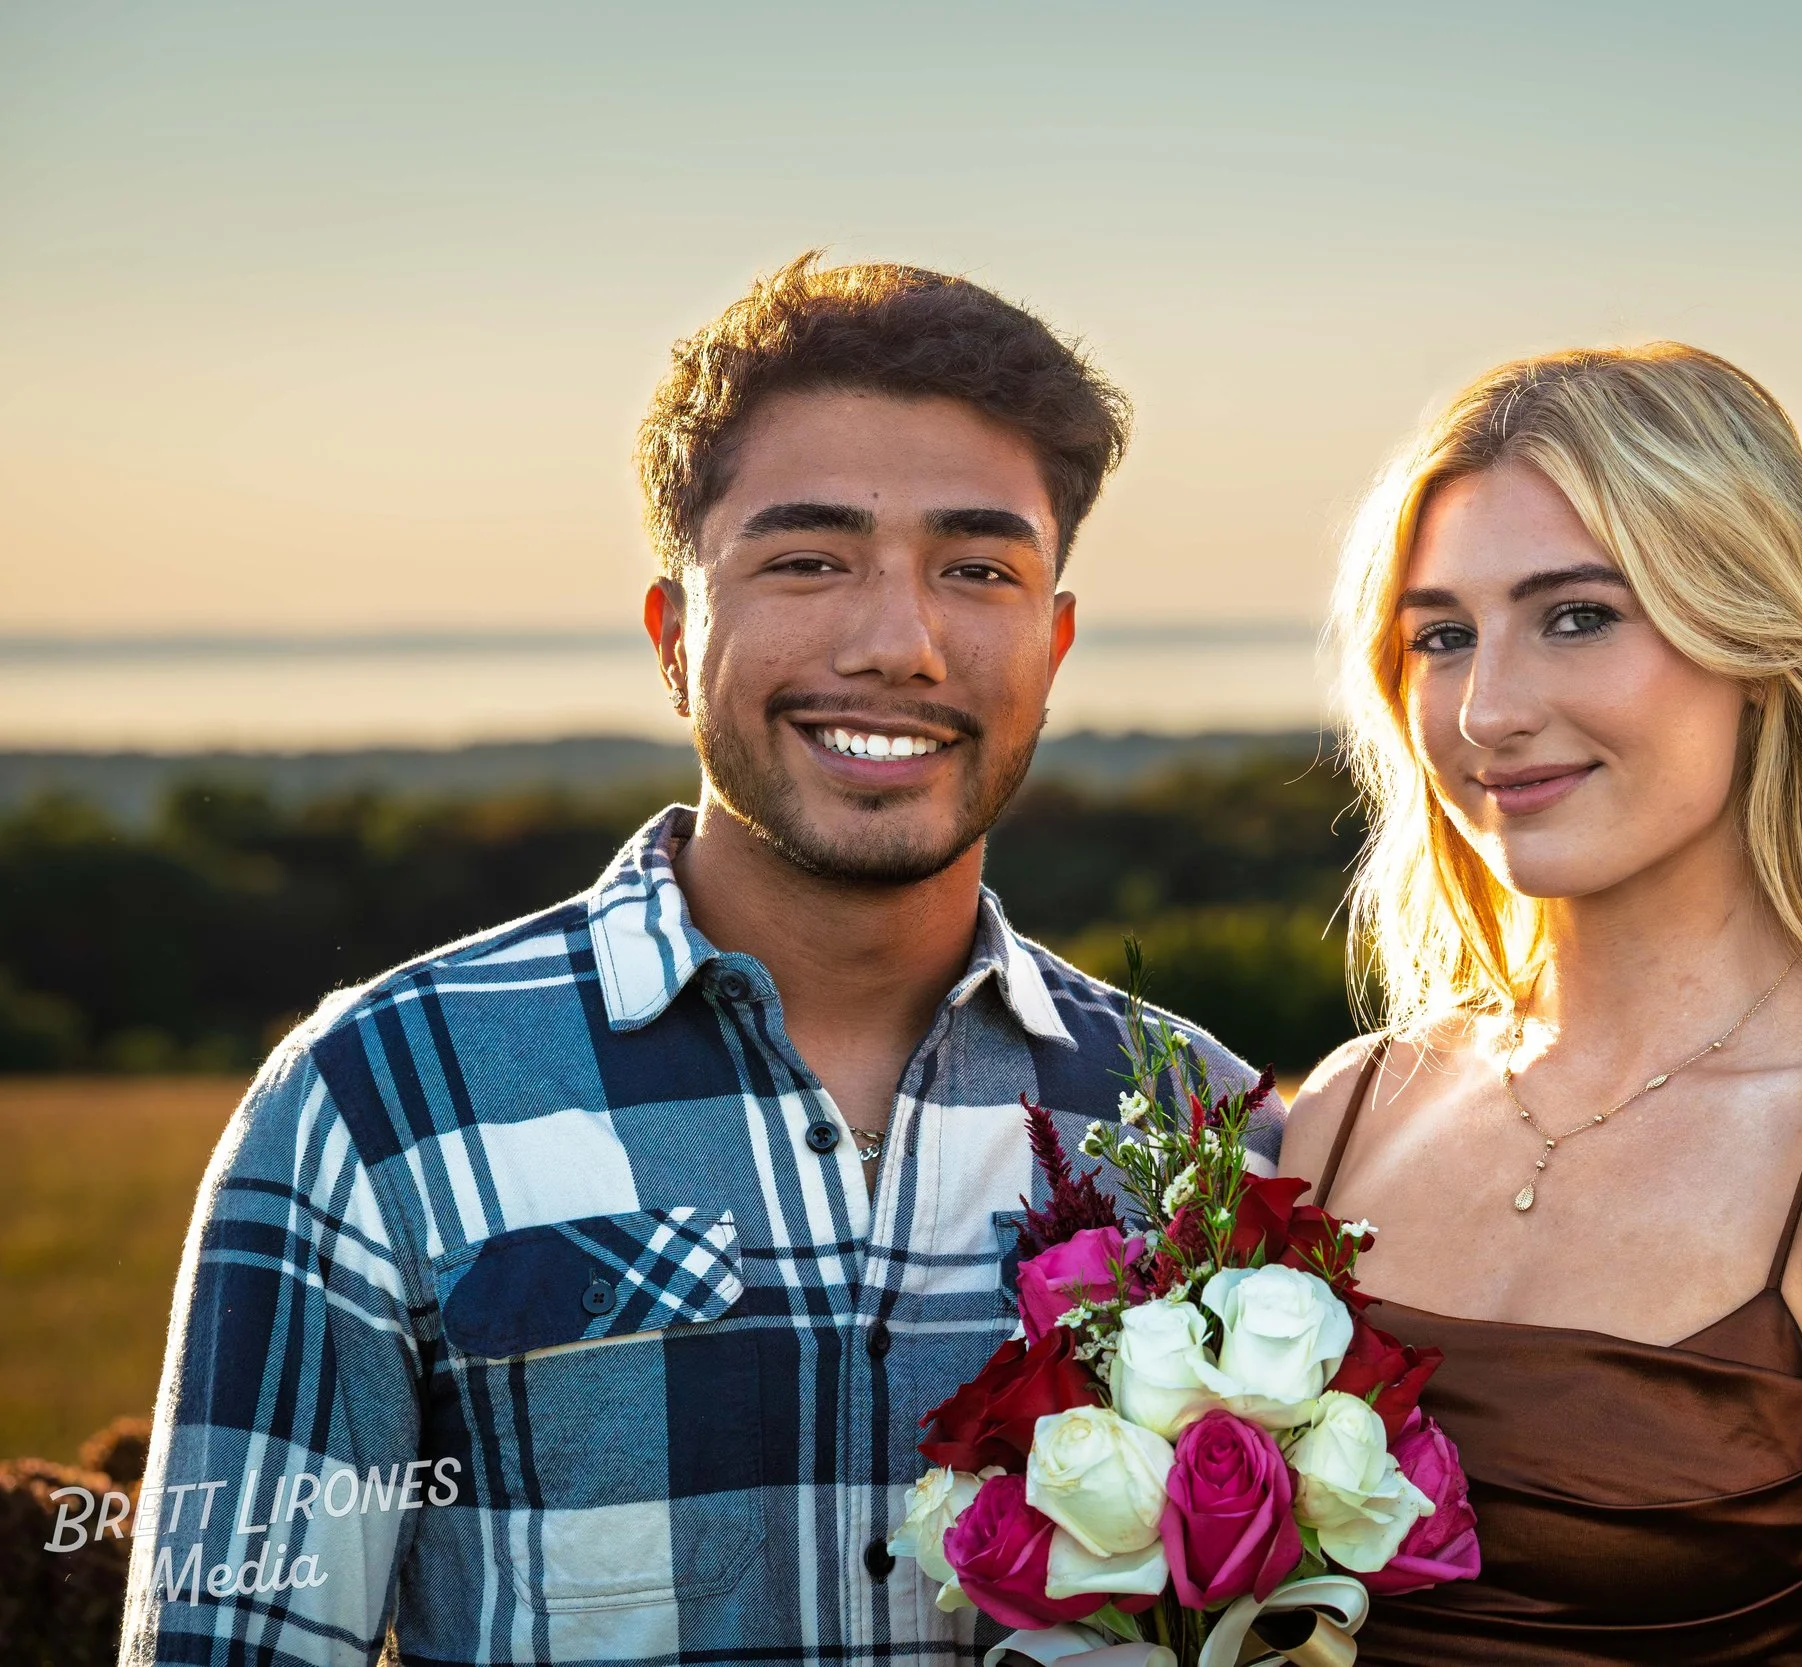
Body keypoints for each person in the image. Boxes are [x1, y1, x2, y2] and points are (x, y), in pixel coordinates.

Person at [121, 254, 1278, 1666]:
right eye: (808, 560)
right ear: (674, 639)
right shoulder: (377, 1104)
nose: (900, 644)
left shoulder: (1205, 1132)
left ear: (1056, 641)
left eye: (980, 569)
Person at [1284, 345, 1802, 1664]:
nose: (1487, 710)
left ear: (1755, 641)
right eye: (1443, 637)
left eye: (1577, 616)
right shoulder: (1350, 1110)